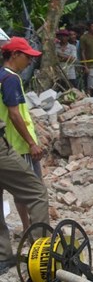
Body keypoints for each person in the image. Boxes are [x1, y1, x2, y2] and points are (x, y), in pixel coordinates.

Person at [0, 38, 50, 264]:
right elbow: (14, 114)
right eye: (27, 56)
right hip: (8, 146)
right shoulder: (10, 79)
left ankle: (3, 257)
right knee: (37, 192)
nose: (30, 61)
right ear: (14, 55)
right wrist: (31, 142)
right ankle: (42, 251)